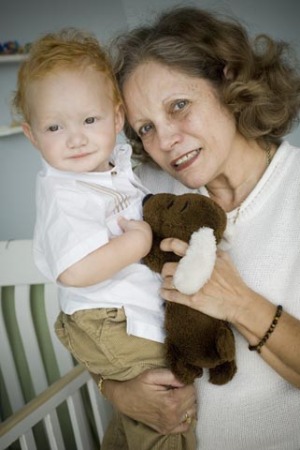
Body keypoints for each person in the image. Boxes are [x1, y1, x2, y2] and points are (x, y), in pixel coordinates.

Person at [97, 6, 300, 450]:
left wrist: (238, 302)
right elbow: (100, 313)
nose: (165, 140)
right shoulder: (149, 195)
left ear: (227, 82)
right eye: (146, 127)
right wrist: (116, 390)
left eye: (179, 106)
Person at [12, 28, 197, 449]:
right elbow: (74, 272)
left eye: (89, 120)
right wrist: (135, 244)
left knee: (135, 424)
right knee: (167, 419)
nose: (75, 138)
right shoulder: (64, 193)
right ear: (32, 135)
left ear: (117, 119)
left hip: (122, 317)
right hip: (111, 319)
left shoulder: (112, 168)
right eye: (54, 126)